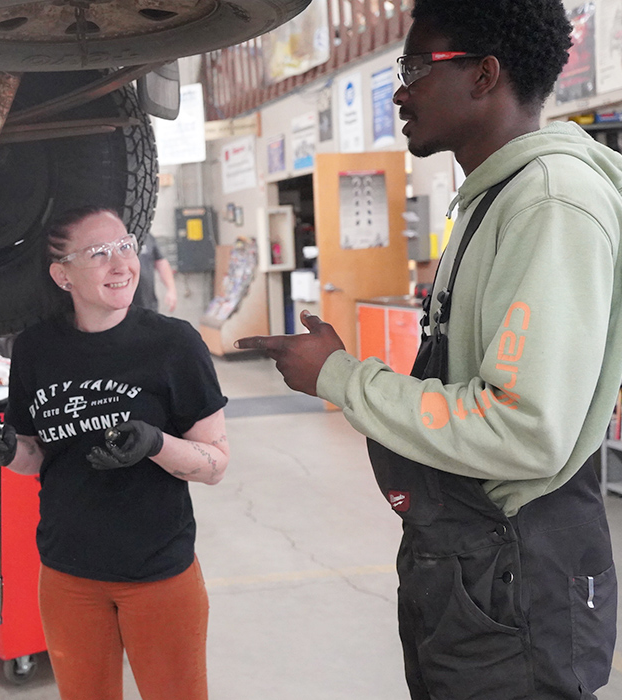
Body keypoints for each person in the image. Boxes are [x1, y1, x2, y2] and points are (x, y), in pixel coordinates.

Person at [237, 1, 622, 697]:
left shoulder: (548, 201)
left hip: (515, 579)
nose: (399, 91)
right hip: (467, 565)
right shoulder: (490, 199)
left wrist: (342, 378)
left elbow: (524, 429)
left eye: (416, 67)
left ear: (485, 75)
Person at [0, 206, 229, 700]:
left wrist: (156, 444)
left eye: (125, 247)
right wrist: (7, 450)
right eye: (98, 253)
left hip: (157, 572)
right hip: (68, 574)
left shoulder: (173, 344)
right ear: (61, 274)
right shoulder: (35, 349)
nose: (121, 265)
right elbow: (37, 457)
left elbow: (215, 463)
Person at [134, 236, 178, 313]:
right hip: (123, 307)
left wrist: (171, 289)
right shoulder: (118, 236)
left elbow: (161, 262)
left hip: (147, 304)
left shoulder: (147, 236)